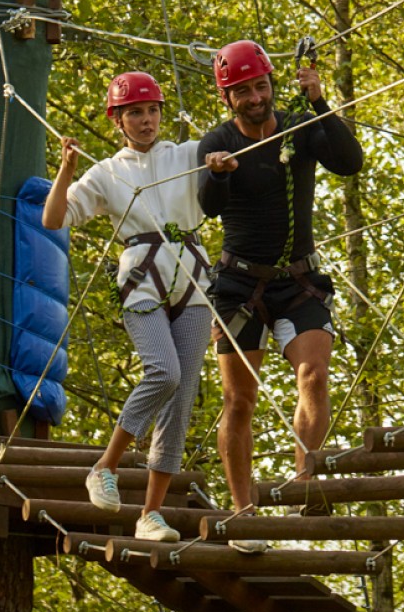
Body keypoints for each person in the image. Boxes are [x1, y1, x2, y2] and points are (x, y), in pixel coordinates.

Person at [198, 40, 364, 552]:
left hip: (299, 282)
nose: (255, 98)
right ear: (227, 98)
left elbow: (350, 162)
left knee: (314, 374)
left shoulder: (299, 127)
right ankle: (242, 512)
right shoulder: (219, 142)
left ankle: (303, 482)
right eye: (243, 92)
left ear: (272, 85)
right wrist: (217, 173)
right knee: (239, 400)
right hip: (239, 286)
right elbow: (208, 206)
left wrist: (319, 101)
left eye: (261, 86)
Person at [43, 71, 212, 543]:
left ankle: (150, 515)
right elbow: (53, 218)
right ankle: (105, 466)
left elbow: (235, 148)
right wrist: (66, 170)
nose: (146, 120)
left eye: (152, 111)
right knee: (164, 372)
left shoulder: (186, 154)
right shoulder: (107, 173)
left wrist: (220, 164)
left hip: (194, 281)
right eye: (135, 113)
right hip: (143, 282)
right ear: (117, 120)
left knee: (180, 400)